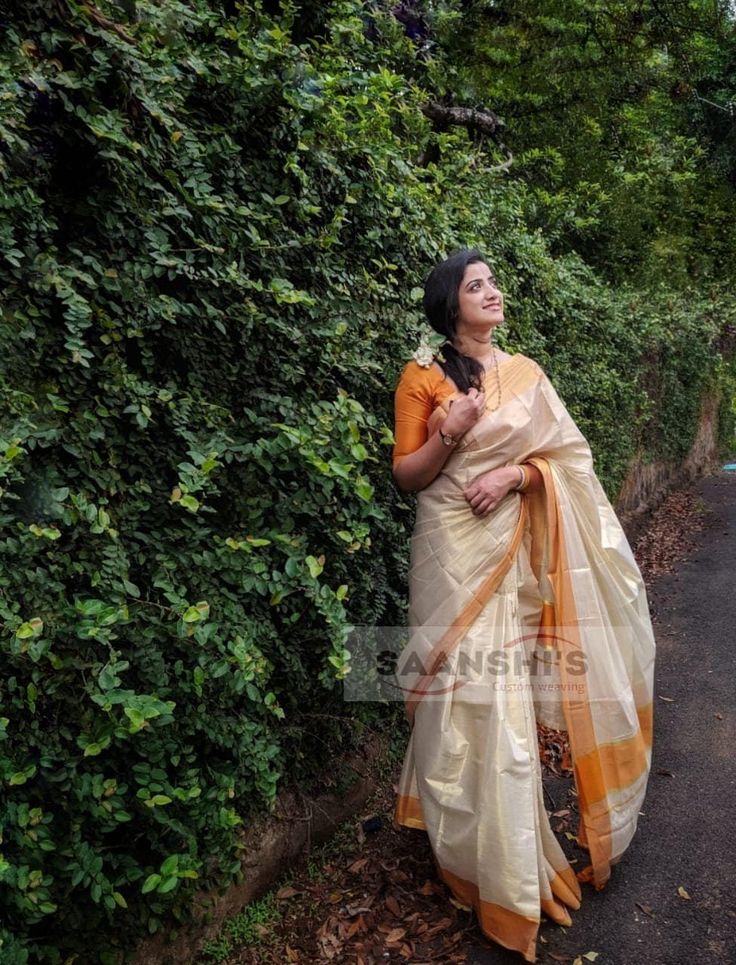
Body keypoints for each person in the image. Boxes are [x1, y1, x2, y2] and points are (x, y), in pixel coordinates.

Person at [391, 249, 656, 962]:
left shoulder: (528, 375)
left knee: (503, 702)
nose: (492, 291)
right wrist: (453, 429)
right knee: (457, 700)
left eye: (493, 282)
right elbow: (407, 476)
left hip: (509, 553)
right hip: (449, 555)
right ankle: (472, 858)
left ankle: (511, 868)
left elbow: (569, 462)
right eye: (477, 286)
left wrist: (516, 472)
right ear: (451, 304)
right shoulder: (421, 376)